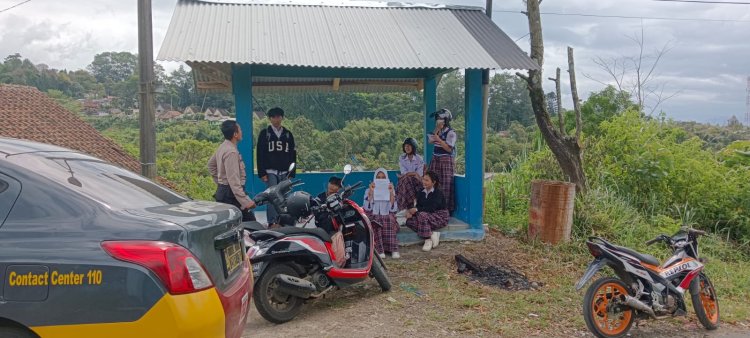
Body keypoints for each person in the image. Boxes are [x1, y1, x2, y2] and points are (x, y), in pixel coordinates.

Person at [208, 120, 256, 221]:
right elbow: (234, 182)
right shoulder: (231, 152)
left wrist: (221, 182)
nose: (241, 132)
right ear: (235, 134)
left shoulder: (223, 146)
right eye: (240, 130)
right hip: (231, 197)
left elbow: (211, 165)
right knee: (251, 224)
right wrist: (246, 202)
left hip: (223, 192)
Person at [256, 107, 296, 225]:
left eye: (278, 116)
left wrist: (291, 173)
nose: (276, 119)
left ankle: (285, 221)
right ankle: (272, 222)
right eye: (273, 117)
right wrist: (262, 172)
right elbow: (259, 153)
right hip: (270, 171)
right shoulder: (265, 134)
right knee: (272, 197)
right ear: (270, 118)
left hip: (285, 171)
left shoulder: (288, 134)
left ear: (282, 118)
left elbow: (293, 154)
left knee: (285, 197)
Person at [405, 171, 449, 252]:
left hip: (439, 215)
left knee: (422, 215)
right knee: (409, 221)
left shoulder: (438, 193)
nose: (424, 182)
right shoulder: (421, 192)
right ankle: (432, 233)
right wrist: (410, 212)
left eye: (427, 180)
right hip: (425, 215)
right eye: (423, 179)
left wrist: (416, 210)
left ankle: (427, 239)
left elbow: (432, 208)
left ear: (434, 182)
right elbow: (419, 206)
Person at [363, 168, 400, 259]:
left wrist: (391, 192)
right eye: (378, 177)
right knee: (376, 220)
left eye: (383, 177)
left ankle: (393, 249)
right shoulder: (368, 190)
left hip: (387, 214)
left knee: (388, 218)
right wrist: (371, 192)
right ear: (375, 178)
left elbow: (393, 209)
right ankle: (380, 250)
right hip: (373, 214)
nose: (380, 179)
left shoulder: (390, 189)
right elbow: (367, 208)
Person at [428, 108, 456, 212]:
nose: (438, 120)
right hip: (435, 158)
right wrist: (437, 130)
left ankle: (445, 209)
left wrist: (439, 139)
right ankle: (432, 207)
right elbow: (430, 140)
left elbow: (449, 148)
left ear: (446, 120)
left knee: (445, 184)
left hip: (446, 160)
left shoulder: (451, 133)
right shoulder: (437, 131)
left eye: (440, 119)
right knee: (433, 182)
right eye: (437, 119)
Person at [395, 137, 424, 213]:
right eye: (405, 146)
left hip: (416, 182)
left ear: (413, 147)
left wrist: (407, 174)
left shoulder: (419, 159)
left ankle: (404, 207)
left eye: (409, 145)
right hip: (405, 181)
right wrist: (412, 173)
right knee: (406, 181)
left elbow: (419, 175)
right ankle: (408, 206)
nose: (407, 147)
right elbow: (403, 172)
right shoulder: (401, 158)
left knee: (406, 180)